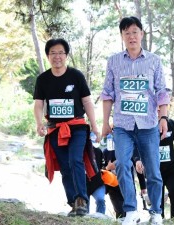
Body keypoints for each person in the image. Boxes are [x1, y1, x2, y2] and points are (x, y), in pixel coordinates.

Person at [100, 16, 170, 225]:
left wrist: (163, 117)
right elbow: (107, 93)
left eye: (134, 31)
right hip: (122, 125)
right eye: (126, 32)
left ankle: (156, 212)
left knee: (153, 170)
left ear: (142, 34)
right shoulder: (113, 61)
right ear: (122, 36)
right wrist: (105, 122)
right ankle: (130, 211)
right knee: (122, 165)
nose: (131, 36)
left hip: (148, 124)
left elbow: (162, 92)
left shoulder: (154, 61)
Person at [33, 38, 100, 217]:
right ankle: (73, 202)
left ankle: (81, 199)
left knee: (75, 159)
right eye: (53, 53)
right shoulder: (43, 79)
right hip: (55, 129)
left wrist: (94, 126)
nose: (57, 56)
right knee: (64, 166)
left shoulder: (76, 76)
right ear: (48, 56)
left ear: (66, 55)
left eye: (61, 52)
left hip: (77, 126)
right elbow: (39, 104)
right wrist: (39, 123)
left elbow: (86, 101)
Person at [135, 118, 174, 222]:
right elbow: (137, 143)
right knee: (158, 199)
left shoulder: (172, 124)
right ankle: (159, 220)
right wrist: (138, 159)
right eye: (157, 108)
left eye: (162, 108)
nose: (159, 110)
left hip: (171, 168)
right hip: (154, 169)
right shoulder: (146, 123)